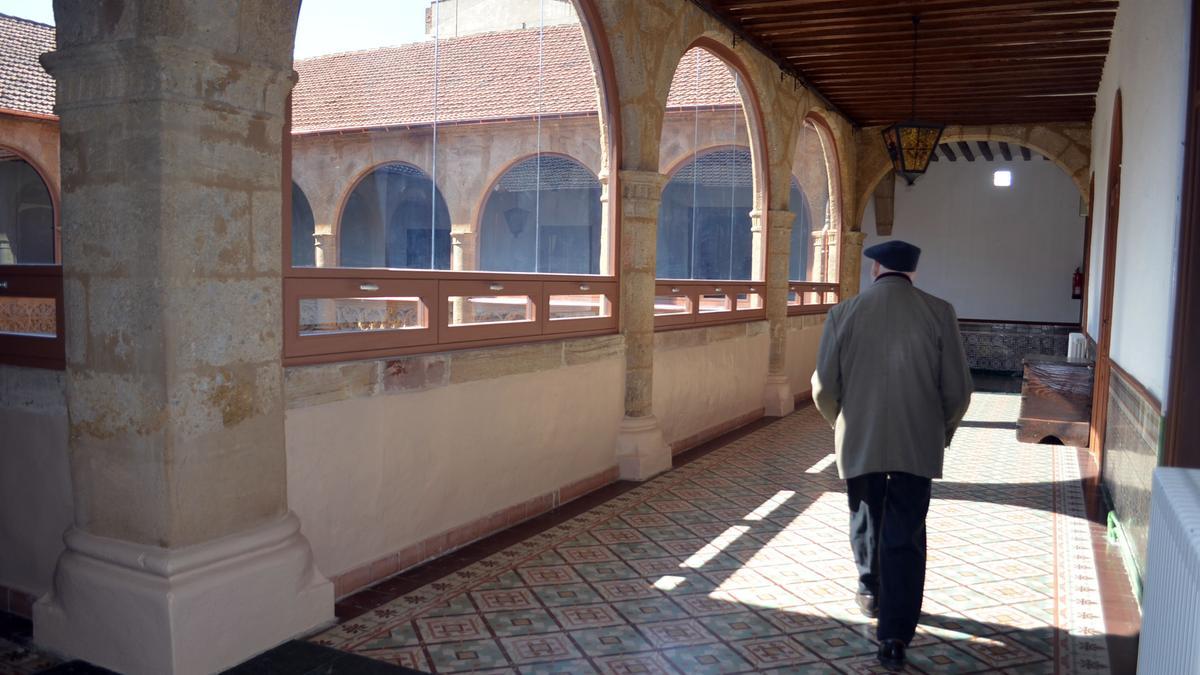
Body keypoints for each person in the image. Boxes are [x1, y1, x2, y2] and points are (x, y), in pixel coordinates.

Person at [811, 240, 973, 671]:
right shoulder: (940, 312)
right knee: (905, 530)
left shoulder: (842, 313)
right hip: (916, 442)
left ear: (875, 268)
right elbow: (958, 391)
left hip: (859, 439)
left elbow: (824, 387)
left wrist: (842, 424)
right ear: (913, 273)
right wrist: (942, 430)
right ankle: (895, 635)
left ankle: (869, 589)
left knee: (865, 516)